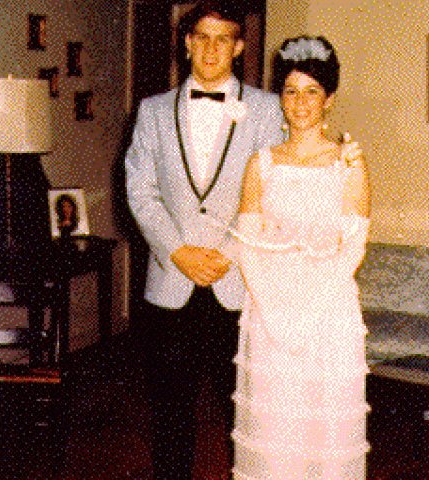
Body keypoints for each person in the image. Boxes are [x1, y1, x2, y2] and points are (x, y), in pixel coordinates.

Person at [124, 1, 283, 478]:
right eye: (203, 38)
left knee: (248, 416)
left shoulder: (268, 109)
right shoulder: (151, 111)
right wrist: (178, 251)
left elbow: (271, 195)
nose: (212, 48)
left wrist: (226, 254)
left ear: (238, 46)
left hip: (238, 283)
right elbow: (139, 189)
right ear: (188, 42)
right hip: (170, 284)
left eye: (223, 39)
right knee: (170, 415)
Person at [231, 35, 371, 479]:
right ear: (280, 97)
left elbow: (354, 244)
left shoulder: (348, 162)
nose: (300, 102)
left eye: (312, 91)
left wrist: (311, 308)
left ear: (330, 98)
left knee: (324, 424)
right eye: (291, 90)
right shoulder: (261, 163)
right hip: (270, 310)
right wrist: (274, 310)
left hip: (328, 311)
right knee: (277, 423)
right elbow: (247, 244)